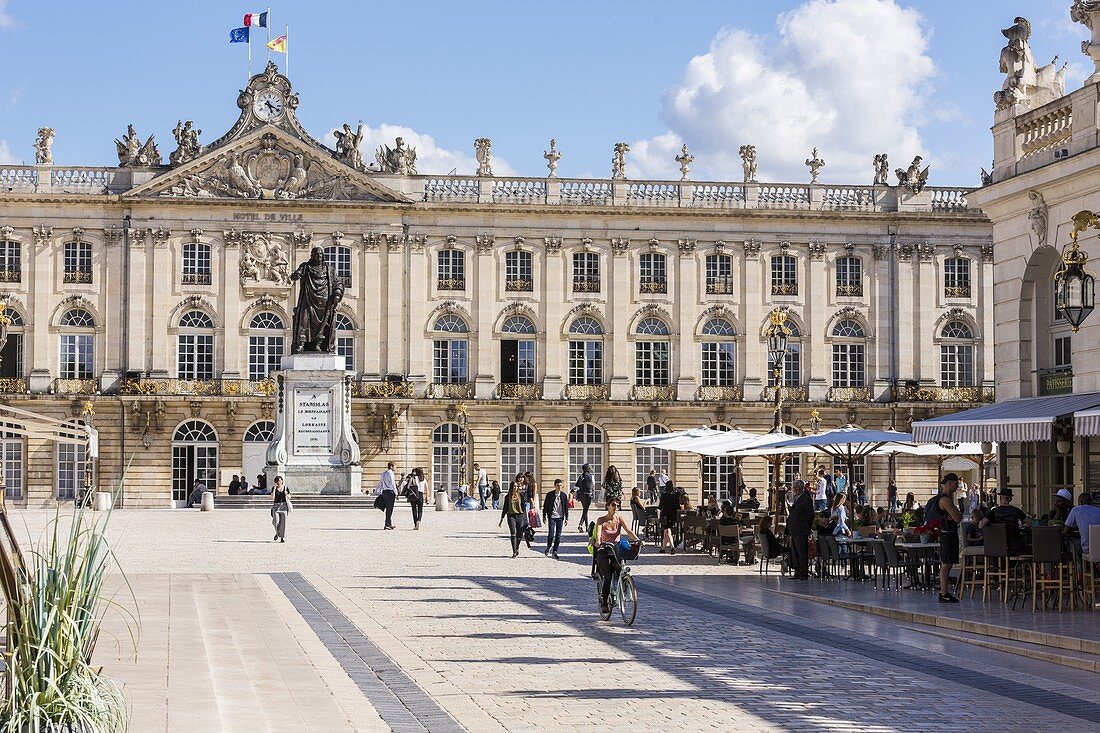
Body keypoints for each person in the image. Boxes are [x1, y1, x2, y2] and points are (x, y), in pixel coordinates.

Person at [593, 498, 640, 615]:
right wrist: (598, 542)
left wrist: (638, 540)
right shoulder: (601, 520)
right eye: (613, 505)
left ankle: (623, 588)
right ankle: (604, 603)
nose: (616, 507)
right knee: (608, 576)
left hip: (616, 551)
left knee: (621, 570)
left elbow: (629, 531)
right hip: (604, 551)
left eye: (618, 506)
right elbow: (598, 534)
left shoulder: (620, 519)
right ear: (608, 506)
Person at [932, 472, 963, 603]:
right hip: (947, 534)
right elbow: (957, 518)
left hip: (947, 533)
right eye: (956, 484)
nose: (957, 487)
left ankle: (944, 593)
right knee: (946, 564)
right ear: (949, 483)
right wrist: (957, 513)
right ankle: (943, 593)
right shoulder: (945, 500)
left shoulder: (946, 498)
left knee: (947, 563)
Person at [980, 488, 1028, 555]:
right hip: (1015, 545)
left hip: (998, 545)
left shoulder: (994, 511)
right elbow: (1028, 523)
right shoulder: (1016, 511)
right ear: (1011, 499)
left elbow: (981, 524)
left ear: (1000, 498)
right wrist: (1022, 526)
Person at [787, 479, 814, 580]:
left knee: (802, 552)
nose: (793, 489)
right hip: (794, 530)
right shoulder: (797, 498)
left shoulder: (806, 499)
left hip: (801, 530)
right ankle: (797, 571)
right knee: (795, 552)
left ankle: (803, 573)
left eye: (794, 487)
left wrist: (806, 526)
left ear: (799, 488)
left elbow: (810, 515)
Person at [498, 481, 528, 558]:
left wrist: (526, 519)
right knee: (513, 533)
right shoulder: (507, 497)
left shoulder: (520, 495)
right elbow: (505, 508)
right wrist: (501, 519)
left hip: (520, 515)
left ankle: (517, 547)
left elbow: (524, 508)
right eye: (514, 486)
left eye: (516, 486)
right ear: (511, 487)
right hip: (511, 516)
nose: (515, 488)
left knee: (520, 535)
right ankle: (514, 551)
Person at [543, 479, 569, 559]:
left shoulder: (564, 495)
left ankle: (555, 551)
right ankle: (549, 546)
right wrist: (544, 515)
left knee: (558, 535)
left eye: (561, 485)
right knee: (551, 534)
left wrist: (567, 518)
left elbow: (566, 507)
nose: (559, 487)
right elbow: (545, 505)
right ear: (555, 486)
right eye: (558, 485)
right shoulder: (550, 494)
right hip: (552, 517)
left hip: (560, 517)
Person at [658, 480, 679, 554]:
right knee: (666, 531)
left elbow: (660, 506)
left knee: (668, 530)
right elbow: (678, 506)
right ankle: (663, 548)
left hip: (666, 515)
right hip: (673, 515)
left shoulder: (663, 495)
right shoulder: (675, 496)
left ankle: (672, 547)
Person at [378, 461, 398, 530]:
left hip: (384, 492)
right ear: (391, 466)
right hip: (390, 492)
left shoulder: (383, 473)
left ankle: (389, 523)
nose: (396, 467)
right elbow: (393, 484)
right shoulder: (391, 473)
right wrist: (396, 493)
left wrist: (379, 491)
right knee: (390, 509)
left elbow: (380, 483)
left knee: (388, 509)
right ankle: (387, 524)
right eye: (395, 466)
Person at [575, 464, 595, 532]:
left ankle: (587, 527)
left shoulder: (581, 476)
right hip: (588, 495)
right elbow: (593, 485)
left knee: (585, 510)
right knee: (585, 510)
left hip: (581, 495)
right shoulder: (591, 476)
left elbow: (577, 485)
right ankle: (580, 525)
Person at [271, 476, 290, 543]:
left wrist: (286, 494)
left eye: (280, 480)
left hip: (284, 506)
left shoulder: (285, 488)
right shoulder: (274, 488)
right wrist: (274, 488)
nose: (279, 482)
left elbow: (290, 497)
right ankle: (277, 533)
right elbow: (272, 498)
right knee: (275, 522)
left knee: (283, 523)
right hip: (276, 506)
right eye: (277, 481)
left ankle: (282, 537)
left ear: (282, 481)